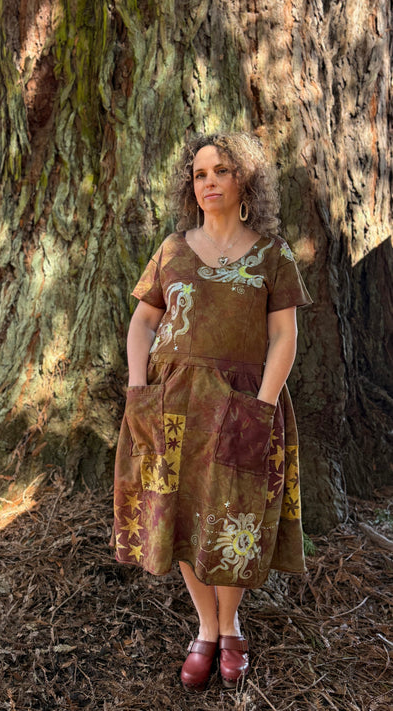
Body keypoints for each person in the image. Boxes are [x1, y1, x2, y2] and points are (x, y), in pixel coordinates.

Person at [112, 132, 312, 691]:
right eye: (200, 174)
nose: (209, 182)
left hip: (242, 404)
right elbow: (143, 322)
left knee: (233, 517)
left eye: (221, 171)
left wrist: (263, 406)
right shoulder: (172, 249)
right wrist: (137, 389)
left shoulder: (273, 254)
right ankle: (208, 628)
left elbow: (284, 336)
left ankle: (232, 624)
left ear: (245, 180)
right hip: (172, 405)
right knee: (179, 513)